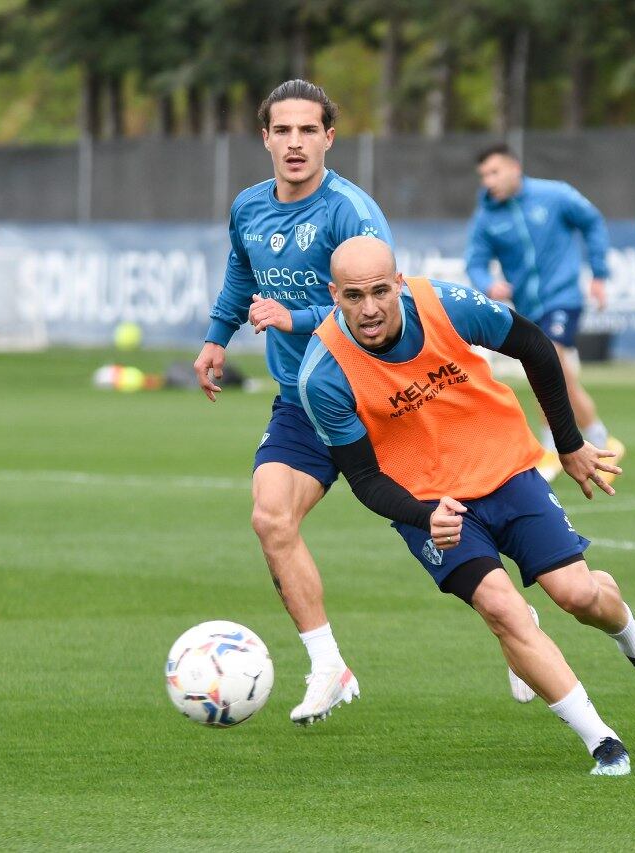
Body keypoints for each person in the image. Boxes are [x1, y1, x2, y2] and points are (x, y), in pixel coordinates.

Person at [294, 236, 635, 776]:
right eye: (353, 296)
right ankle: (602, 741)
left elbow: (534, 345)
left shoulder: (443, 304)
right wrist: (421, 516)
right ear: (333, 295)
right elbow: (363, 478)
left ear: (399, 283)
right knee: (503, 611)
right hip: (429, 504)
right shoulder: (322, 374)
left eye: (380, 292)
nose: (369, 309)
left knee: (577, 595)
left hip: (506, 469)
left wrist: (569, 443)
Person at [192, 80, 393, 725]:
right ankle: (328, 664)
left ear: (329, 138)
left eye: (309, 131)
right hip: (303, 401)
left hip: (377, 397)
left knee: (447, 537)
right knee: (271, 520)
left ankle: (515, 618)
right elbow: (241, 274)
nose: (296, 143)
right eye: (284, 131)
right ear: (266, 138)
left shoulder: (351, 214)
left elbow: (383, 307)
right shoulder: (249, 206)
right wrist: (216, 339)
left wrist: (295, 316)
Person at [465, 143, 623, 484]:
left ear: (515, 169)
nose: (488, 181)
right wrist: (488, 284)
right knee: (558, 373)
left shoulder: (555, 196)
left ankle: (551, 449)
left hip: (563, 297)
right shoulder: (487, 217)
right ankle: (600, 438)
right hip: (529, 308)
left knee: (546, 362)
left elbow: (592, 221)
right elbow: (475, 262)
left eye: (494, 172)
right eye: (483, 176)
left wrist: (598, 272)